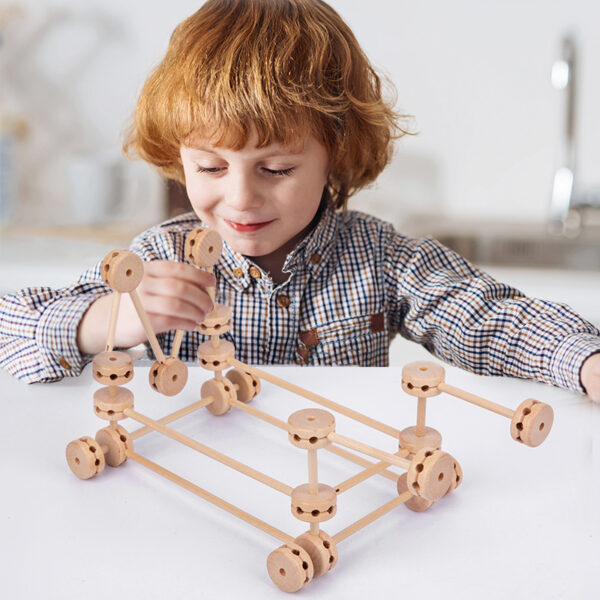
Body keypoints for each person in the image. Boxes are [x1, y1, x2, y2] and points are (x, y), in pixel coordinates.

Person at [1, 0, 599, 400]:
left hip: (330, 501)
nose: (239, 197)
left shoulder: (382, 261)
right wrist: (103, 320)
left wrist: (585, 359)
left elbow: (489, 318)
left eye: (278, 168)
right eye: (209, 166)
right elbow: (9, 332)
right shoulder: (155, 257)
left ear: (335, 152)